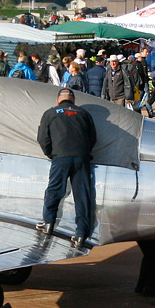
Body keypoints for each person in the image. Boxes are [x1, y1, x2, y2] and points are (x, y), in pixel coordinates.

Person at [36, 88, 97, 249]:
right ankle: (81, 233)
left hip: (60, 157)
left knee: (54, 191)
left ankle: (48, 223)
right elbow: (93, 138)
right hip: (81, 158)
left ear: (58, 100)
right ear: (74, 100)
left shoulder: (50, 113)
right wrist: (84, 152)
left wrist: (52, 154)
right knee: (82, 195)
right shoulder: (83, 114)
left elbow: (42, 138)